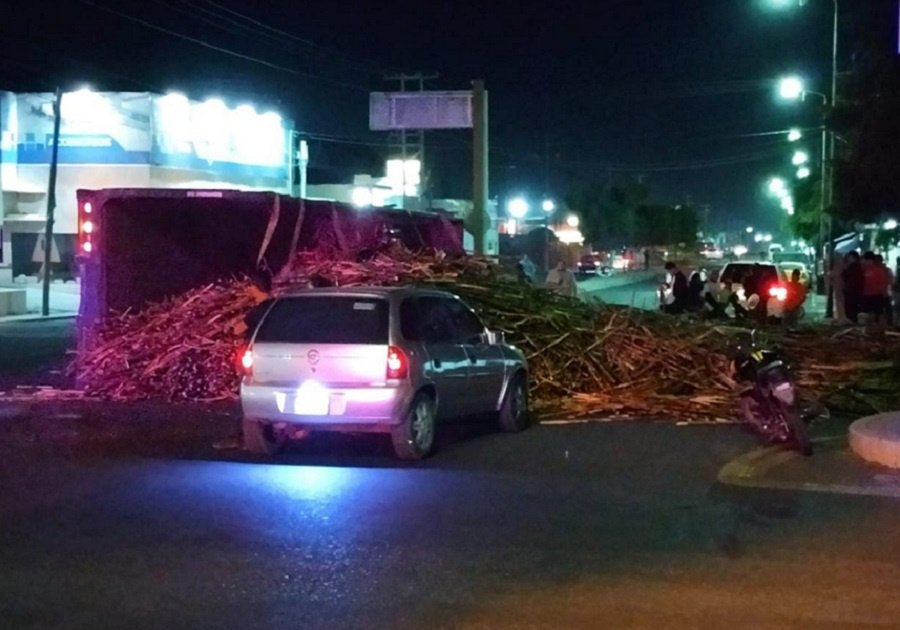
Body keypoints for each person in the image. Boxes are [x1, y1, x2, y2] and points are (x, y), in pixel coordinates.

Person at [861, 252, 891, 329]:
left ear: (869, 260)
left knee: (877, 314)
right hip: (867, 295)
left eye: (864, 259)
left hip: (877, 295)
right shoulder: (865, 269)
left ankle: (878, 328)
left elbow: (884, 282)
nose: (863, 261)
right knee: (868, 314)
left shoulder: (879, 270)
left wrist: (883, 294)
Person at [842, 251, 863, 324]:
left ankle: (852, 323)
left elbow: (846, 276)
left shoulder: (853, 267)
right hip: (854, 291)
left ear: (853, 258)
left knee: (851, 310)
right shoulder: (857, 266)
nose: (848, 259)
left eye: (849, 257)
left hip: (852, 292)